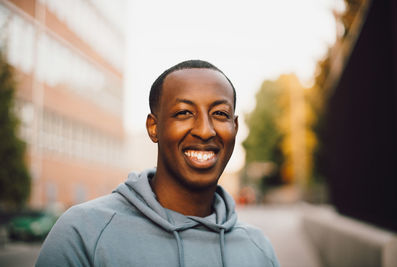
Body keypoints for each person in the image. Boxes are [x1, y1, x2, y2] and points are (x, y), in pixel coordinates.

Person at [36, 60, 280, 267]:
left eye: (219, 114)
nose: (205, 131)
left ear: (234, 128)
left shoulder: (259, 251)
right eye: (184, 112)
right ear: (154, 127)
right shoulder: (83, 233)